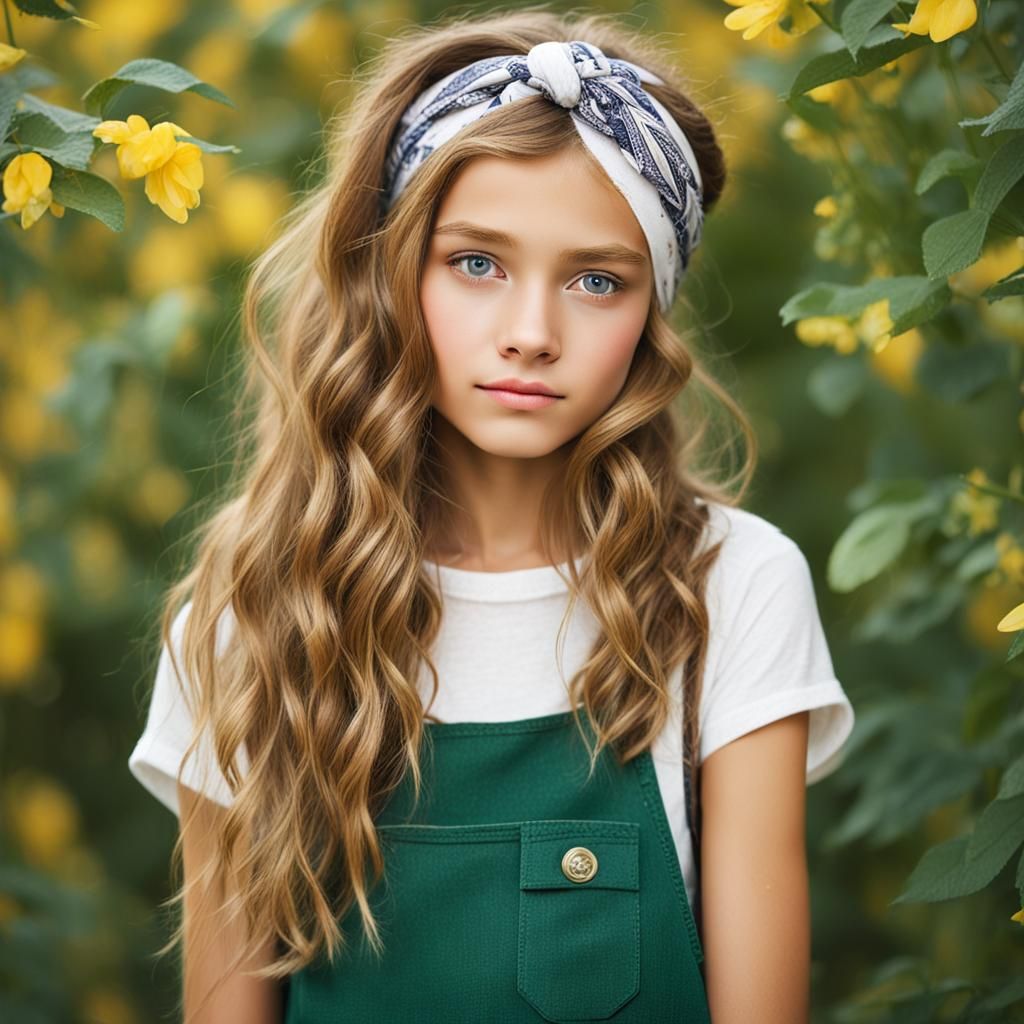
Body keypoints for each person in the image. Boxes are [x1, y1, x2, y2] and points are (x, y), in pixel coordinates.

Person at [127, 8, 856, 1023]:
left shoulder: (729, 589)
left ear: (651, 313)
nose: (530, 333)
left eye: (596, 281)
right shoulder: (256, 609)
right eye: (477, 263)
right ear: (393, 275)